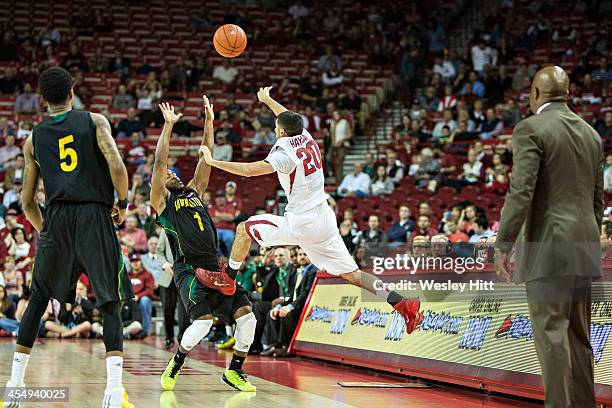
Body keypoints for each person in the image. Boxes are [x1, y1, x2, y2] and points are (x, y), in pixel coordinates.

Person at [199, 86, 421, 335]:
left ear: (281, 132)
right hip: (324, 219)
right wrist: (268, 100)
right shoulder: (305, 135)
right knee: (354, 274)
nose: (274, 130)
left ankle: (228, 279)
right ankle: (402, 303)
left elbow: (251, 171)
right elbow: (286, 116)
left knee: (243, 229)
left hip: (301, 223)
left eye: (276, 128)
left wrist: (212, 161)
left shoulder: (284, 153)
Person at [2, 67, 134, 408]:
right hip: (93, 213)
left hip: (57, 218)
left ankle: (15, 385)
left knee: (39, 298)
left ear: (42, 100)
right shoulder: (94, 120)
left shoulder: (33, 137)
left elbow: (27, 200)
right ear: (72, 93)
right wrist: (122, 203)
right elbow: (117, 165)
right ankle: (113, 390)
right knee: (108, 299)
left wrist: (46, 229)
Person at [495, 66, 603, 408]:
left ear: (535, 95)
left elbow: (521, 190)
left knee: (552, 336)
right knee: (579, 338)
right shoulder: (591, 134)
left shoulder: (530, 128)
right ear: (567, 94)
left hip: (549, 246)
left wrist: (504, 242)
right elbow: (597, 200)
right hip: (584, 244)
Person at [151, 99, 257, 392]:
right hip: (188, 270)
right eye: (168, 175)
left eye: (175, 173)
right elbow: (160, 162)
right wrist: (168, 126)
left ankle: (234, 371)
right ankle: (176, 364)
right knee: (203, 324)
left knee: (248, 319)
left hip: (216, 266)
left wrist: (210, 120)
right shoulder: (162, 204)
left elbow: (205, 157)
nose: (171, 174)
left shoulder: (195, 191)